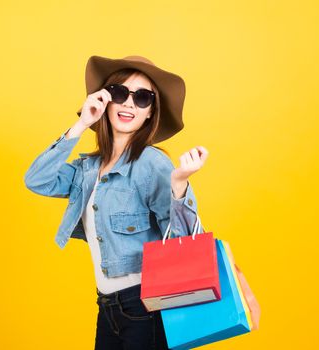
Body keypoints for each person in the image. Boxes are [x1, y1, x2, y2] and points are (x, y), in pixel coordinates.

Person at [24, 55, 209, 350]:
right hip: (107, 307)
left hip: (146, 307)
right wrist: (83, 122)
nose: (129, 104)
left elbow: (184, 241)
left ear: (151, 113)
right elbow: (37, 179)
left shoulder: (151, 163)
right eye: (119, 93)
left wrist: (179, 185)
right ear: (105, 100)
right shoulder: (87, 169)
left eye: (143, 98)